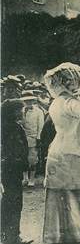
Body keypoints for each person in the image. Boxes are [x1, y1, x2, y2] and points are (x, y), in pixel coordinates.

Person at [42, 62, 80, 244]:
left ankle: (64, 235)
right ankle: (75, 235)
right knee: (74, 193)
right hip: (70, 151)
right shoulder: (70, 103)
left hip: (59, 149)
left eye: (74, 80)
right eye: (70, 81)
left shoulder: (57, 102)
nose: (74, 84)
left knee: (64, 193)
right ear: (64, 83)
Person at [1, 99, 33, 244]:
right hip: (11, 171)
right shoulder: (11, 129)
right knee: (13, 203)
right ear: (12, 112)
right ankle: (12, 237)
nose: (22, 112)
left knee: (8, 202)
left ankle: (7, 235)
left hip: (10, 170)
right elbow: (17, 151)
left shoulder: (9, 127)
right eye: (19, 110)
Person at [20, 91, 44, 187]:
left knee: (32, 159)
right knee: (23, 158)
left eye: (30, 101)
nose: (28, 103)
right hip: (22, 138)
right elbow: (20, 124)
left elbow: (40, 126)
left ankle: (32, 179)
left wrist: (38, 138)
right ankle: (25, 178)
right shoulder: (21, 111)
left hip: (33, 138)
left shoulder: (38, 111)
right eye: (26, 101)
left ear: (33, 101)